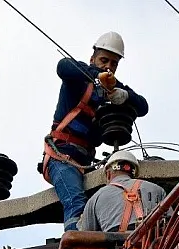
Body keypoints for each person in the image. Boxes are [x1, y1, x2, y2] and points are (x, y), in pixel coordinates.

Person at [40, 31, 149, 231]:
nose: (109, 66)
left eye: (114, 64)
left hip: (86, 163)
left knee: (100, 206)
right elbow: (63, 66)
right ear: (93, 59)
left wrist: (123, 95)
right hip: (61, 157)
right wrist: (96, 75)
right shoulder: (77, 80)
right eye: (104, 60)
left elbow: (143, 106)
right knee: (76, 203)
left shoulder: (111, 90)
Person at [77, 151, 167, 233]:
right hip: (155, 245)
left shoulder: (95, 198)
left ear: (108, 174)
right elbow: (171, 223)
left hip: (115, 247)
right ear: (134, 172)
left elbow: (85, 236)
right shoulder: (157, 189)